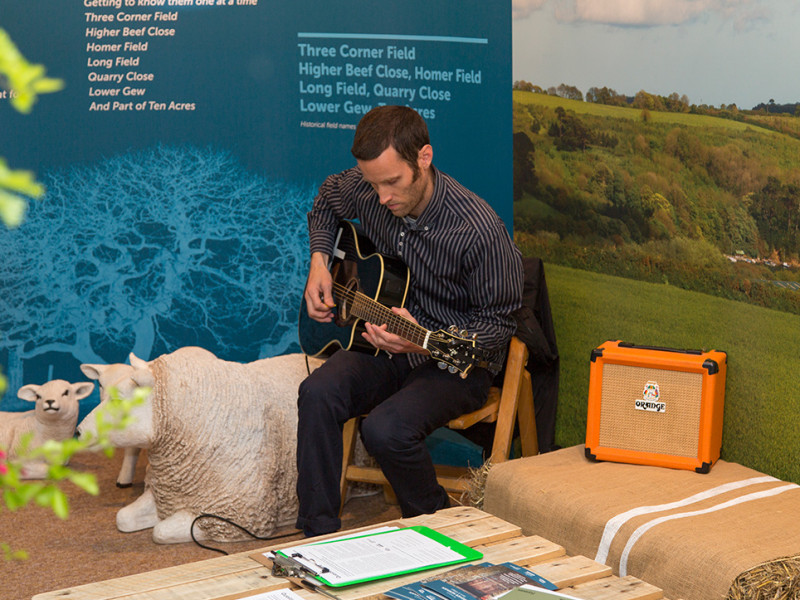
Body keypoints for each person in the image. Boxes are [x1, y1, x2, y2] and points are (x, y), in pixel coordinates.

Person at [296, 105, 523, 537]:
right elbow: (327, 198)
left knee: (386, 429)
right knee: (317, 392)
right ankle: (318, 536)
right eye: (372, 183)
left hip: (452, 360)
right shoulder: (371, 191)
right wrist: (319, 262)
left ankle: (436, 527)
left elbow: (497, 326)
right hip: (383, 345)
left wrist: (423, 344)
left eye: (392, 183)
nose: (381, 198)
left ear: (423, 157)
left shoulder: (478, 229)